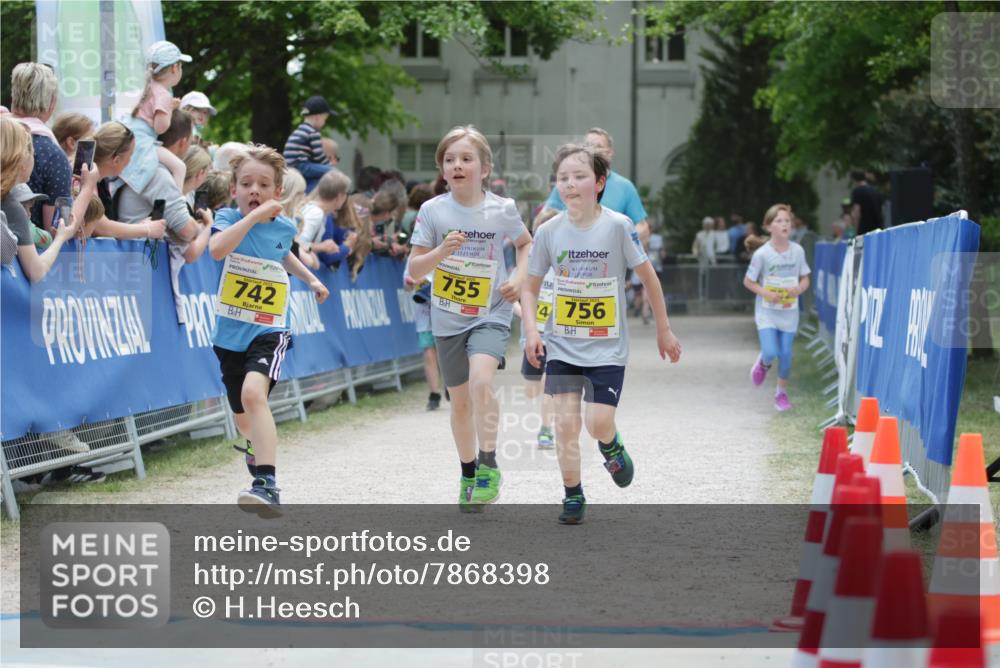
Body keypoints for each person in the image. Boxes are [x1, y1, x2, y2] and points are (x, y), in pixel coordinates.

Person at [521, 143, 681, 524]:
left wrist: (664, 330)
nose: (571, 185)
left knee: (597, 423)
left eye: (580, 177)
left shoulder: (617, 226)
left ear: (600, 182)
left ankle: (610, 445)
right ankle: (572, 493)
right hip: (561, 345)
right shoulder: (547, 232)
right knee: (565, 426)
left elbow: (649, 279)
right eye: (563, 178)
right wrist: (531, 330)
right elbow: (529, 287)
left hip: (607, 349)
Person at [408, 125, 531, 511]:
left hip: (490, 313)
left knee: (481, 381)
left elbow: (527, 244)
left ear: (485, 167)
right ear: (442, 170)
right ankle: (467, 472)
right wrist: (441, 251)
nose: (457, 165)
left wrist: (517, 276)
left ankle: (489, 466)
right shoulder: (432, 210)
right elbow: (415, 266)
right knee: (459, 402)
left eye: (466, 159)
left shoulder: (502, 209)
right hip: (446, 318)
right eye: (449, 160)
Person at [208, 145, 330, 514]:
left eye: (263, 185)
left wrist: (311, 279)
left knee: (253, 395)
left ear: (278, 191)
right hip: (230, 334)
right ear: (234, 189)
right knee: (243, 417)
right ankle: (254, 446)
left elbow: (283, 252)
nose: (254, 191)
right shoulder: (227, 218)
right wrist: (253, 216)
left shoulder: (284, 227)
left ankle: (267, 484)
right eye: (246, 184)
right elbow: (216, 249)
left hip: (270, 328)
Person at [0, 116, 86, 284]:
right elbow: (36, 271)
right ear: (22, 160)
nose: (34, 158)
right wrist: (61, 238)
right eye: (32, 153)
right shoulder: (12, 206)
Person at [743, 204, 811, 412]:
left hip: (789, 313)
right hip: (767, 312)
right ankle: (763, 363)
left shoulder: (798, 251)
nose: (784, 224)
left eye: (787, 221)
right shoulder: (762, 254)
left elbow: (805, 278)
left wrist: (799, 289)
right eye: (779, 221)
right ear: (768, 226)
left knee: (787, 356)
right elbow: (748, 281)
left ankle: (780, 394)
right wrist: (766, 293)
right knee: (771, 351)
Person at [532, 128, 650, 244]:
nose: (593, 150)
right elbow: (543, 219)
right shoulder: (567, 183)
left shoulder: (625, 187)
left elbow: (642, 228)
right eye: (588, 145)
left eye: (598, 146)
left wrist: (620, 245)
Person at [10, 63, 71, 233]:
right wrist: (87, 189)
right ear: (52, 102)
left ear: (14, 95)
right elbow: (57, 226)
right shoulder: (52, 154)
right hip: (27, 253)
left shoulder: (5, 134)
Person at [128, 40, 192, 191]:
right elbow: (160, 127)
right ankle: (176, 202)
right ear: (175, 68)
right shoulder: (163, 94)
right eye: (181, 65)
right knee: (179, 167)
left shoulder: (146, 87)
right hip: (143, 142)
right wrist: (169, 109)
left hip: (130, 137)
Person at [88, 121, 166, 241]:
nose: (130, 161)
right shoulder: (88, 176)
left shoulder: (100, 180)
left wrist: (140, 227)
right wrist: (147, 229)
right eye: (130, 156)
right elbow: (100, 226)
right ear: (116, 160)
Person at [282, 95, 336, 192]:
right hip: (301, 165)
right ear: (318, 117)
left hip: (290, 165)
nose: (324, 122)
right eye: (325, 119)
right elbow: (318, 155)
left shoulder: (299, 130)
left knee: (318, 173)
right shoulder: (313, 132)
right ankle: (309, 194)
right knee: (332, 172)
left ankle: (308, 191)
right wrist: (328, 165)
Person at [298, 170, 351, 265]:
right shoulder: (316, 213)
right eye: (345, 194)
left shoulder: (320, 212)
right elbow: (298, 244)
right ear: (339, 197)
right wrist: (322, 247)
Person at [278, 168, 320, 269]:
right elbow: (308, 261)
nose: (303, 197)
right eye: (299, 193)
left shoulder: (292, 219)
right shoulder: (277, 219)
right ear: (289, 192)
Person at [850, 170, 883, 235]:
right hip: (877, 228)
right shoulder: (875, 191)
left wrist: (856, 231)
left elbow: (857, 213)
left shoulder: (857, 191)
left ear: (854, 179)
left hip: (864, 229)